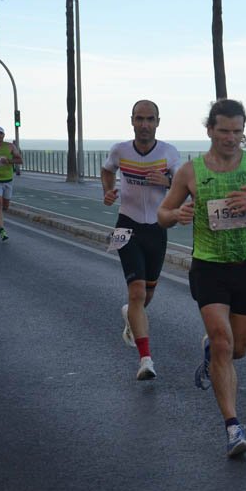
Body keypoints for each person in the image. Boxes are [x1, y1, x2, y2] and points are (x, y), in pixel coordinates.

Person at [157, 99, 246, 458]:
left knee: (239, 349)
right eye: (224, 131)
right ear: (209, 130)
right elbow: (162, 215)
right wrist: (178, 214)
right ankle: (233, 427)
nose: (231, 138)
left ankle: (212, 350)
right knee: (223, 342)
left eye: (237, 131)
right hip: (209, 267)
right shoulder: (190, 171)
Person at [101, 100, 181, 381]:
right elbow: (107, 170)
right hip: (125, 226)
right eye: (139, 119)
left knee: (146, 296)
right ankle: (145, 359)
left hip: (157, 229)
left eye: (150, 119)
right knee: (135, 292)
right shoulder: (119, 150)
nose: (144, 124)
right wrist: (108, 191)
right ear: (131, 121)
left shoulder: (169, 153)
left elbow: (183, 185)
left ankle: (130, 315)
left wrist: (168, 182)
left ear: (158, 122)